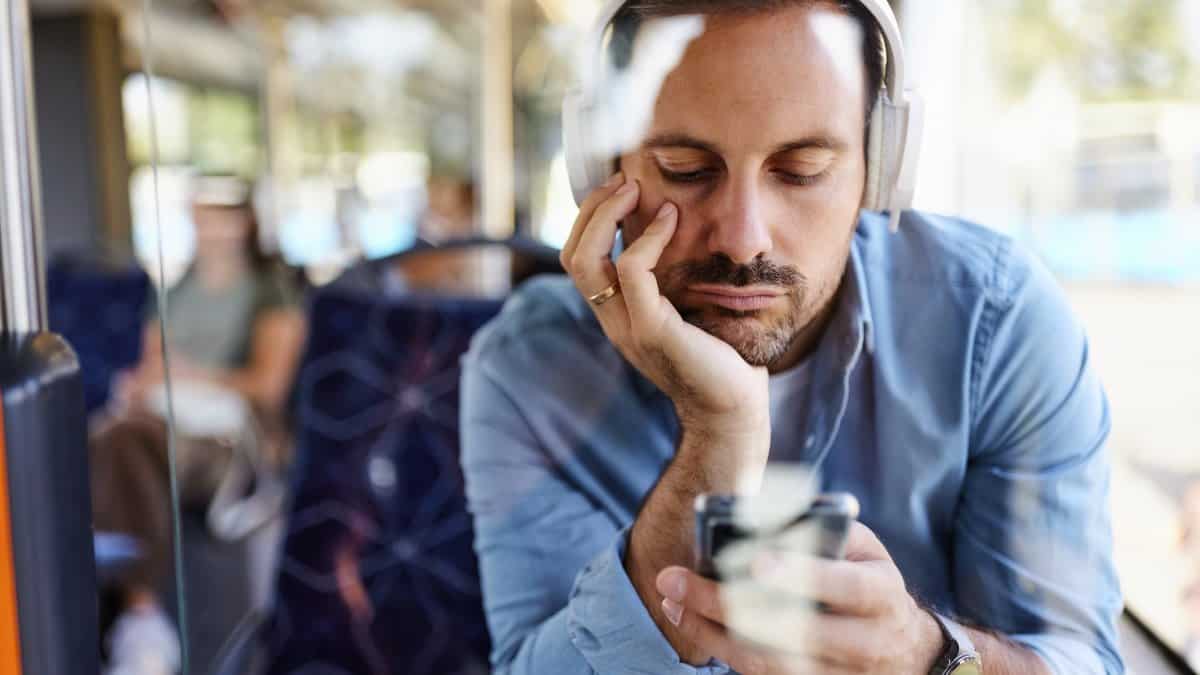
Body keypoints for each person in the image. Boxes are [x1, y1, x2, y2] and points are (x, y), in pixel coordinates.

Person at [460, 2, 1123, 674]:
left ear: (884, 163)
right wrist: (720, 432)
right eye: (686, 167)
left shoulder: (996, 322)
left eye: (802, 169)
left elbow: (1081, 658)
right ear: (598, 164)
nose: (743, 238)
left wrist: (928, 655)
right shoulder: (528, 366)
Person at [89, 176, 307, 675]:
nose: (210, 228)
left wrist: (195, 374)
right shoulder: (174, 288)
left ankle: (139, 618)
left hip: (228, 438)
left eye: (221, 216)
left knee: (122, 443)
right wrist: (142, 384)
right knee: (110, 439)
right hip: (161, 422)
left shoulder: (270, 291)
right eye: (201, 215)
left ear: (244, 223)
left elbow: (269, 387)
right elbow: (152, 364)